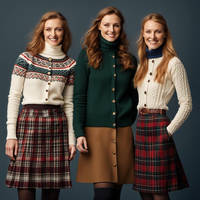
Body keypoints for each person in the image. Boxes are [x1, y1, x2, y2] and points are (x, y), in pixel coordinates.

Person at [5, 11, 76, 200]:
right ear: (42, 32)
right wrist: (11, 135)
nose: (53, 34)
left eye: (58, 29)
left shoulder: (70, 65)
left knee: (52, 193)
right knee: (25, 186)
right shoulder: (26, 59)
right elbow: (14, 97)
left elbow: (69, 104)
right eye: (49, 29)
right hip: (29, 124)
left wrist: (71, 139)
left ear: (64, 33)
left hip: (56, 127)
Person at [73, 6, 138, 200]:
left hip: (122, 133)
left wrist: (128, 116)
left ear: (121, 28)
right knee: (104, 194)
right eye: (107, 25)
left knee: (115, 195)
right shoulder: (87, 56)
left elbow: (135, 96)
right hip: (95, 135)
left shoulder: (129, 60)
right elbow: (79, 97)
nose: (112, 30)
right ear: (99, 27)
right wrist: (79, 132)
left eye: (116, 25)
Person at [133, 13, 192, 200]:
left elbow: (187, 103)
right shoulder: (141, 62)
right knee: (144, 190)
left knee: (159, 190)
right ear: (143, 34)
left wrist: (168, 131)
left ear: (165, 34)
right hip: (141, 126)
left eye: (158, 31)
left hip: (159, 126)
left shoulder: (174, 63)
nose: (153, 36)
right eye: (148, 31)